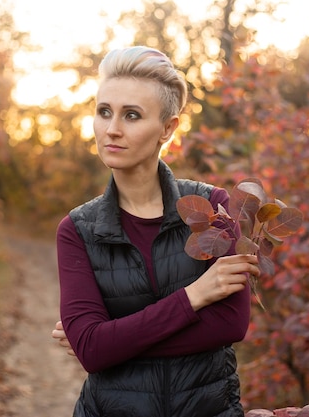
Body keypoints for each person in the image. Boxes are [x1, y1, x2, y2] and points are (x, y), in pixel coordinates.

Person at [51, 45, 259, 417]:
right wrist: (194, 296)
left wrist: (110, 341)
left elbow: (230, 324)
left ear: (168, 127)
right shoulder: (77, 231)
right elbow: (91, 350)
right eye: (104, 112)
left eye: (132, 115)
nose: (112, 130)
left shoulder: (213, 207)